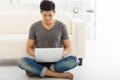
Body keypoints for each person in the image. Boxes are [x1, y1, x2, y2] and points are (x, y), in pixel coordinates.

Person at [17, 0, 78, 80]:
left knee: (75, 60)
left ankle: (39, 71)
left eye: (50, 15)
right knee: (21, 61)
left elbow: (68, 47)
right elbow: (29, 48)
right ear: (40, 12)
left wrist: (61, 54)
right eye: (44, 15)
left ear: (54, 12)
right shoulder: (34, 27)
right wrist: (38, 55)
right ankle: (58, 75)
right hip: (39, 62)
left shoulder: (61, 26)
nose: (47, 18)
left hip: (57, 63)